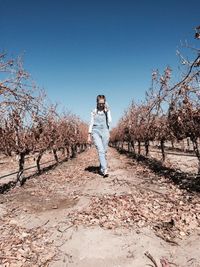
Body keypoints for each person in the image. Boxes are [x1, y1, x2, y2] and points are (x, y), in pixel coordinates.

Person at [87, 94, 112, 177]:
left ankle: (101, 168)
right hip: (96, 131)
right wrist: (89, 135)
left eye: (103, 103)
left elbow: (110, 121)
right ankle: (105, 169)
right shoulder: (93, 111)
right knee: (100, 150)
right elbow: (91, 123)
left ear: (105, 102)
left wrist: (108, 111)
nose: (101, 105)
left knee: (104, 151)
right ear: (97, 102)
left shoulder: (106, 110)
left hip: (105, 131)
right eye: (100, 103)